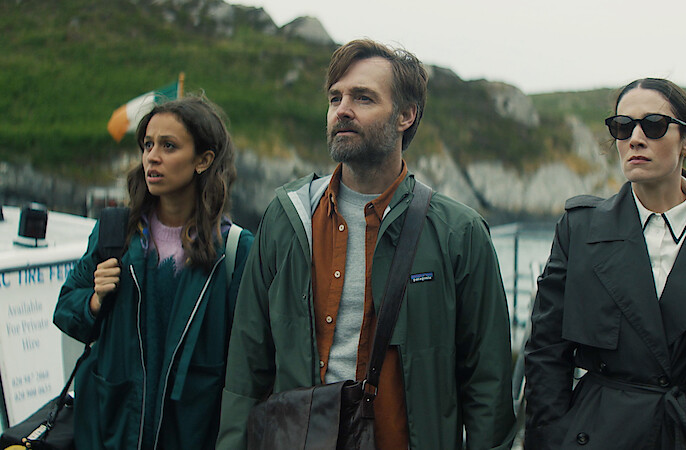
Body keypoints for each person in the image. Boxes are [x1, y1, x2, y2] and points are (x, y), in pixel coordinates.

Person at [217, 39, 516, 449]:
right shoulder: (287, 219)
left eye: (363, 98)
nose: (342, 109)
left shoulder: (459, 233)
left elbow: (488, 385)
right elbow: (246, 367)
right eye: (335, 98)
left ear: (405, 115)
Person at [524, 78, 686, 449]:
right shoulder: (580, 229)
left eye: (654, 125)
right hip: (596, 432)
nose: (635, 139)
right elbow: (546, 353)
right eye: (622, 126)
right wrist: (553, 438)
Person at [54, 95, 254, 449]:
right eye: (148, 145)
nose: (152, 157)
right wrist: (95, 301)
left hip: (191, 431)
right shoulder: (115, 232)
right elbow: (66, 310)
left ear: (203, 160)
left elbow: (248, 363)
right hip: (112, 430)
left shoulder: (236, 251)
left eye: (168, 146)